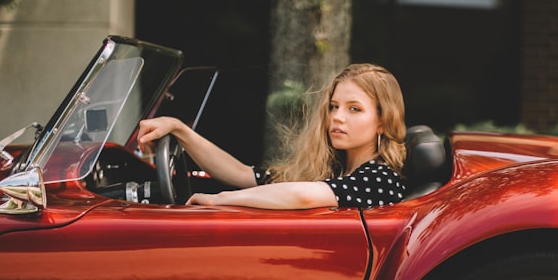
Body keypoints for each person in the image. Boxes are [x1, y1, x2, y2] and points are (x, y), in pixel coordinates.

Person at [137, 63, 408, 209]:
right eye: (334, 107)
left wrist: (221, 200)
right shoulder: (334, 167)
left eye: (354, 109)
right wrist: (180, 130)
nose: (337, 117)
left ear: (383, 122)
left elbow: (305, 196)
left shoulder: (381, 178)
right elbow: (243, 175)